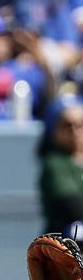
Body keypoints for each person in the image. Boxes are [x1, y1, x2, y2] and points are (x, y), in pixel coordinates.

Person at [38, 95, 83, 235]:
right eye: (67, 125)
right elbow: (73, 207)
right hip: (65, 247)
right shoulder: (55, 163)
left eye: (80, 124)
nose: (75, 131)